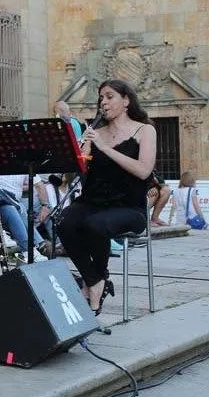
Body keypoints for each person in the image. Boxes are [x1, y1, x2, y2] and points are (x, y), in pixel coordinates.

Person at [57, 79, 157, 315]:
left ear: (126, 100)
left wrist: (104, 148)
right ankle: (95, 281)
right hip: (93, 201)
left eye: (109, 96)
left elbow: (144, 171)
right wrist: (83, 156)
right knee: (63, 222)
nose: (103, 102)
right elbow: (84, 176)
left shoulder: (144, 130)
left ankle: (94, 284)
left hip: (129, 207)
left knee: (95, 225)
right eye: (101, 98)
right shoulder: (96, 133)